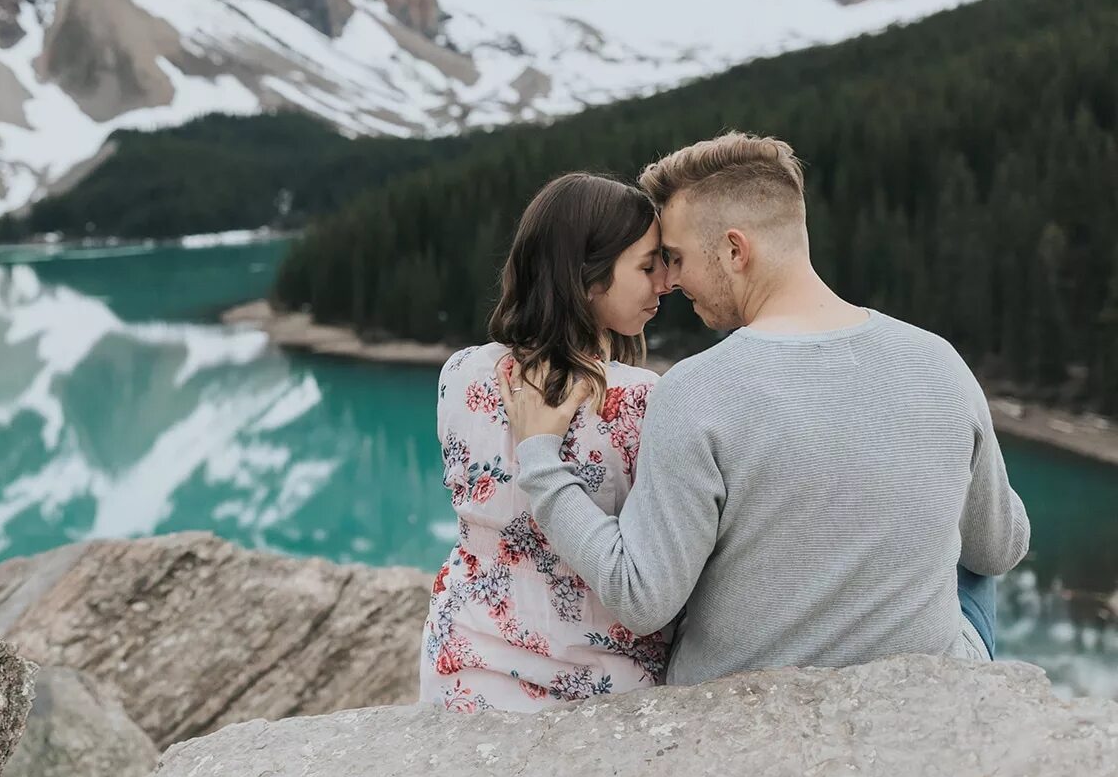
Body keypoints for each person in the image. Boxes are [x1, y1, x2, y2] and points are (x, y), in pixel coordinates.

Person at [504, 132, 1029, 686]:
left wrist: (540, 460)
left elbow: (641, 597)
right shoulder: (939, 361)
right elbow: (1000, 547)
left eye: (677, 258)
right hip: (911, 699)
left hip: (738, 710)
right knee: (972, 563)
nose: (671, 280)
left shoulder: (693, 389)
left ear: (735, 250)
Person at [420, 172, 676, 712]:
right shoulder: (642, 399)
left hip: (461, 666)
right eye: (647, 265)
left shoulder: (460, 373)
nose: (665, 282)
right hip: (599, 688)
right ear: (588, 277)